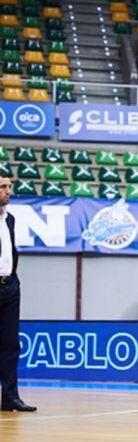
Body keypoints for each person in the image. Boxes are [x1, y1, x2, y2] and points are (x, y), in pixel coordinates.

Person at [0, 176, 34, 412]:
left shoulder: (9, 219)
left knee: (11, 345)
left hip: (10, 287)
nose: (8, 191)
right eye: (3, 187)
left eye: (9, 187)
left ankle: (10, 396)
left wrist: (14, 280)